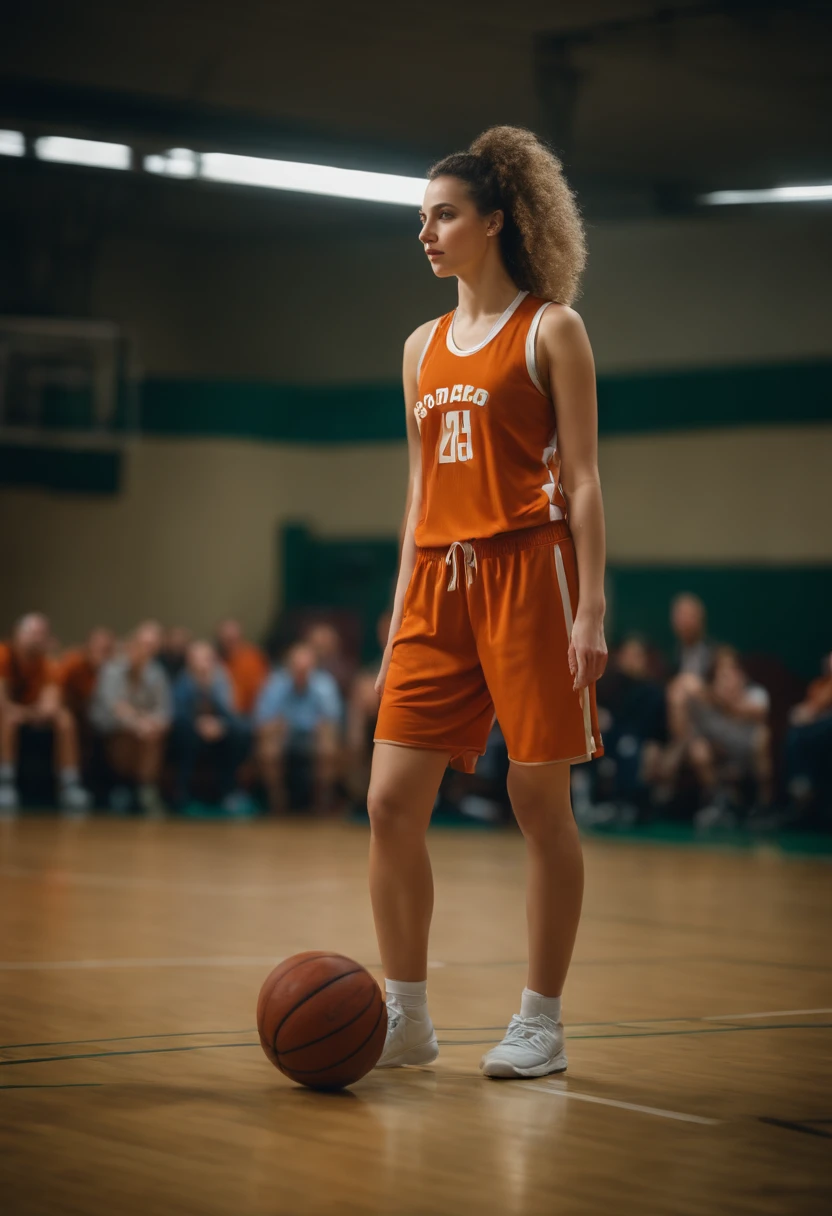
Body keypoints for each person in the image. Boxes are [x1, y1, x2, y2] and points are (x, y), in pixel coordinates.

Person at [368, 126, 606, 1078]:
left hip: (530, 573)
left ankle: (541, 1021)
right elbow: (420, 495)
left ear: (496, 221)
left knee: (535, 800)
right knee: (390, 803)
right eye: (421, 218)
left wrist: (591, 609)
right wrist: (397, 614)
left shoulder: (552, 329)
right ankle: (406, 1015)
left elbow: (584, 480)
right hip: (435, 582)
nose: (426, 233)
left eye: (444, 215)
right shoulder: (419, 347)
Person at [0, 613, 91, 814]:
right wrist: (24, 712)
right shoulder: (3, 655)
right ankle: (5, 782)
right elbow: (2, 701)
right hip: (9, 715)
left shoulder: (47, 663)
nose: (37, 638)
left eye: (42, 634)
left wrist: (35, 712)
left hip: (31, 715)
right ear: (17, 634)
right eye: (33, 633)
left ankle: (69, 783)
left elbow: (51, 701)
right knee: (7, 719)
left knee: (65, 719)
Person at [90, 622, 172, 816]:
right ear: (131, 645)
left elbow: (165, 710)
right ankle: (123, 786)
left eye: (152, 647)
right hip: (111, 728)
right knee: (130, 733)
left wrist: (154, 723)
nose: (146, 651)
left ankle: (145, 790)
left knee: (153, 735)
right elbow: (115, 708)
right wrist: (139, 723)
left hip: (144, 730)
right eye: (143, 645)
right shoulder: (112, 669)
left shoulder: (157, 673)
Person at [686, 646, 772, 826]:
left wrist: (719, 699)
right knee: (698, 749)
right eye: (723, 674)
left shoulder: (756, 693)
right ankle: (719, 803)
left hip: (747, 756)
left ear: (742, 675)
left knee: (763, 737)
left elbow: (757, 711)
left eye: (733, 672)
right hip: (719, 755)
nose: (729, 679)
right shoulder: (707, 702)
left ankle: (765, 806)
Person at [254, 642, 343, 814]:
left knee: (328, 740)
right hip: (284, 737)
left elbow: (332, 720)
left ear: (313, 667)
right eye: (297, 667)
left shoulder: (324, 685)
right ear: (289, 667)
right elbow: (263, 721)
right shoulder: (275, 684)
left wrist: (317, 727)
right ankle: (277, 803)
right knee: (268, 745)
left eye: (306, 668)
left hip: (313, 737)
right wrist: (276, 727)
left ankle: (322, 803)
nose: (301, 673)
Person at [171, 640, 248, 812]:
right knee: (183, 731)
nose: (202, 663)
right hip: (191, 730)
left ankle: (228, 792)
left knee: (239, 730)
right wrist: (199, 724)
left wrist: (219, 724)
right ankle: (183, 795)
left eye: (206, 658)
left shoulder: (221, 677)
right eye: (197, 658)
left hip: (217, 729)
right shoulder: (183, 679)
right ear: (189, 661)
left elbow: (230, 712)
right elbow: (179, 713)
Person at [784, 651, 832, 824]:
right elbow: (803, 714)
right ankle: (802, 793)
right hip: (817, 735)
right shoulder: (819, 685)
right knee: (797, 734)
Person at [216, 618, 269, 718]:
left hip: (254, 715)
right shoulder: (215, 662)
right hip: (226, 717)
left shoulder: (254, 658)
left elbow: (266, 689)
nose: (230, 642)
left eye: (233, 638)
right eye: (226, 639)